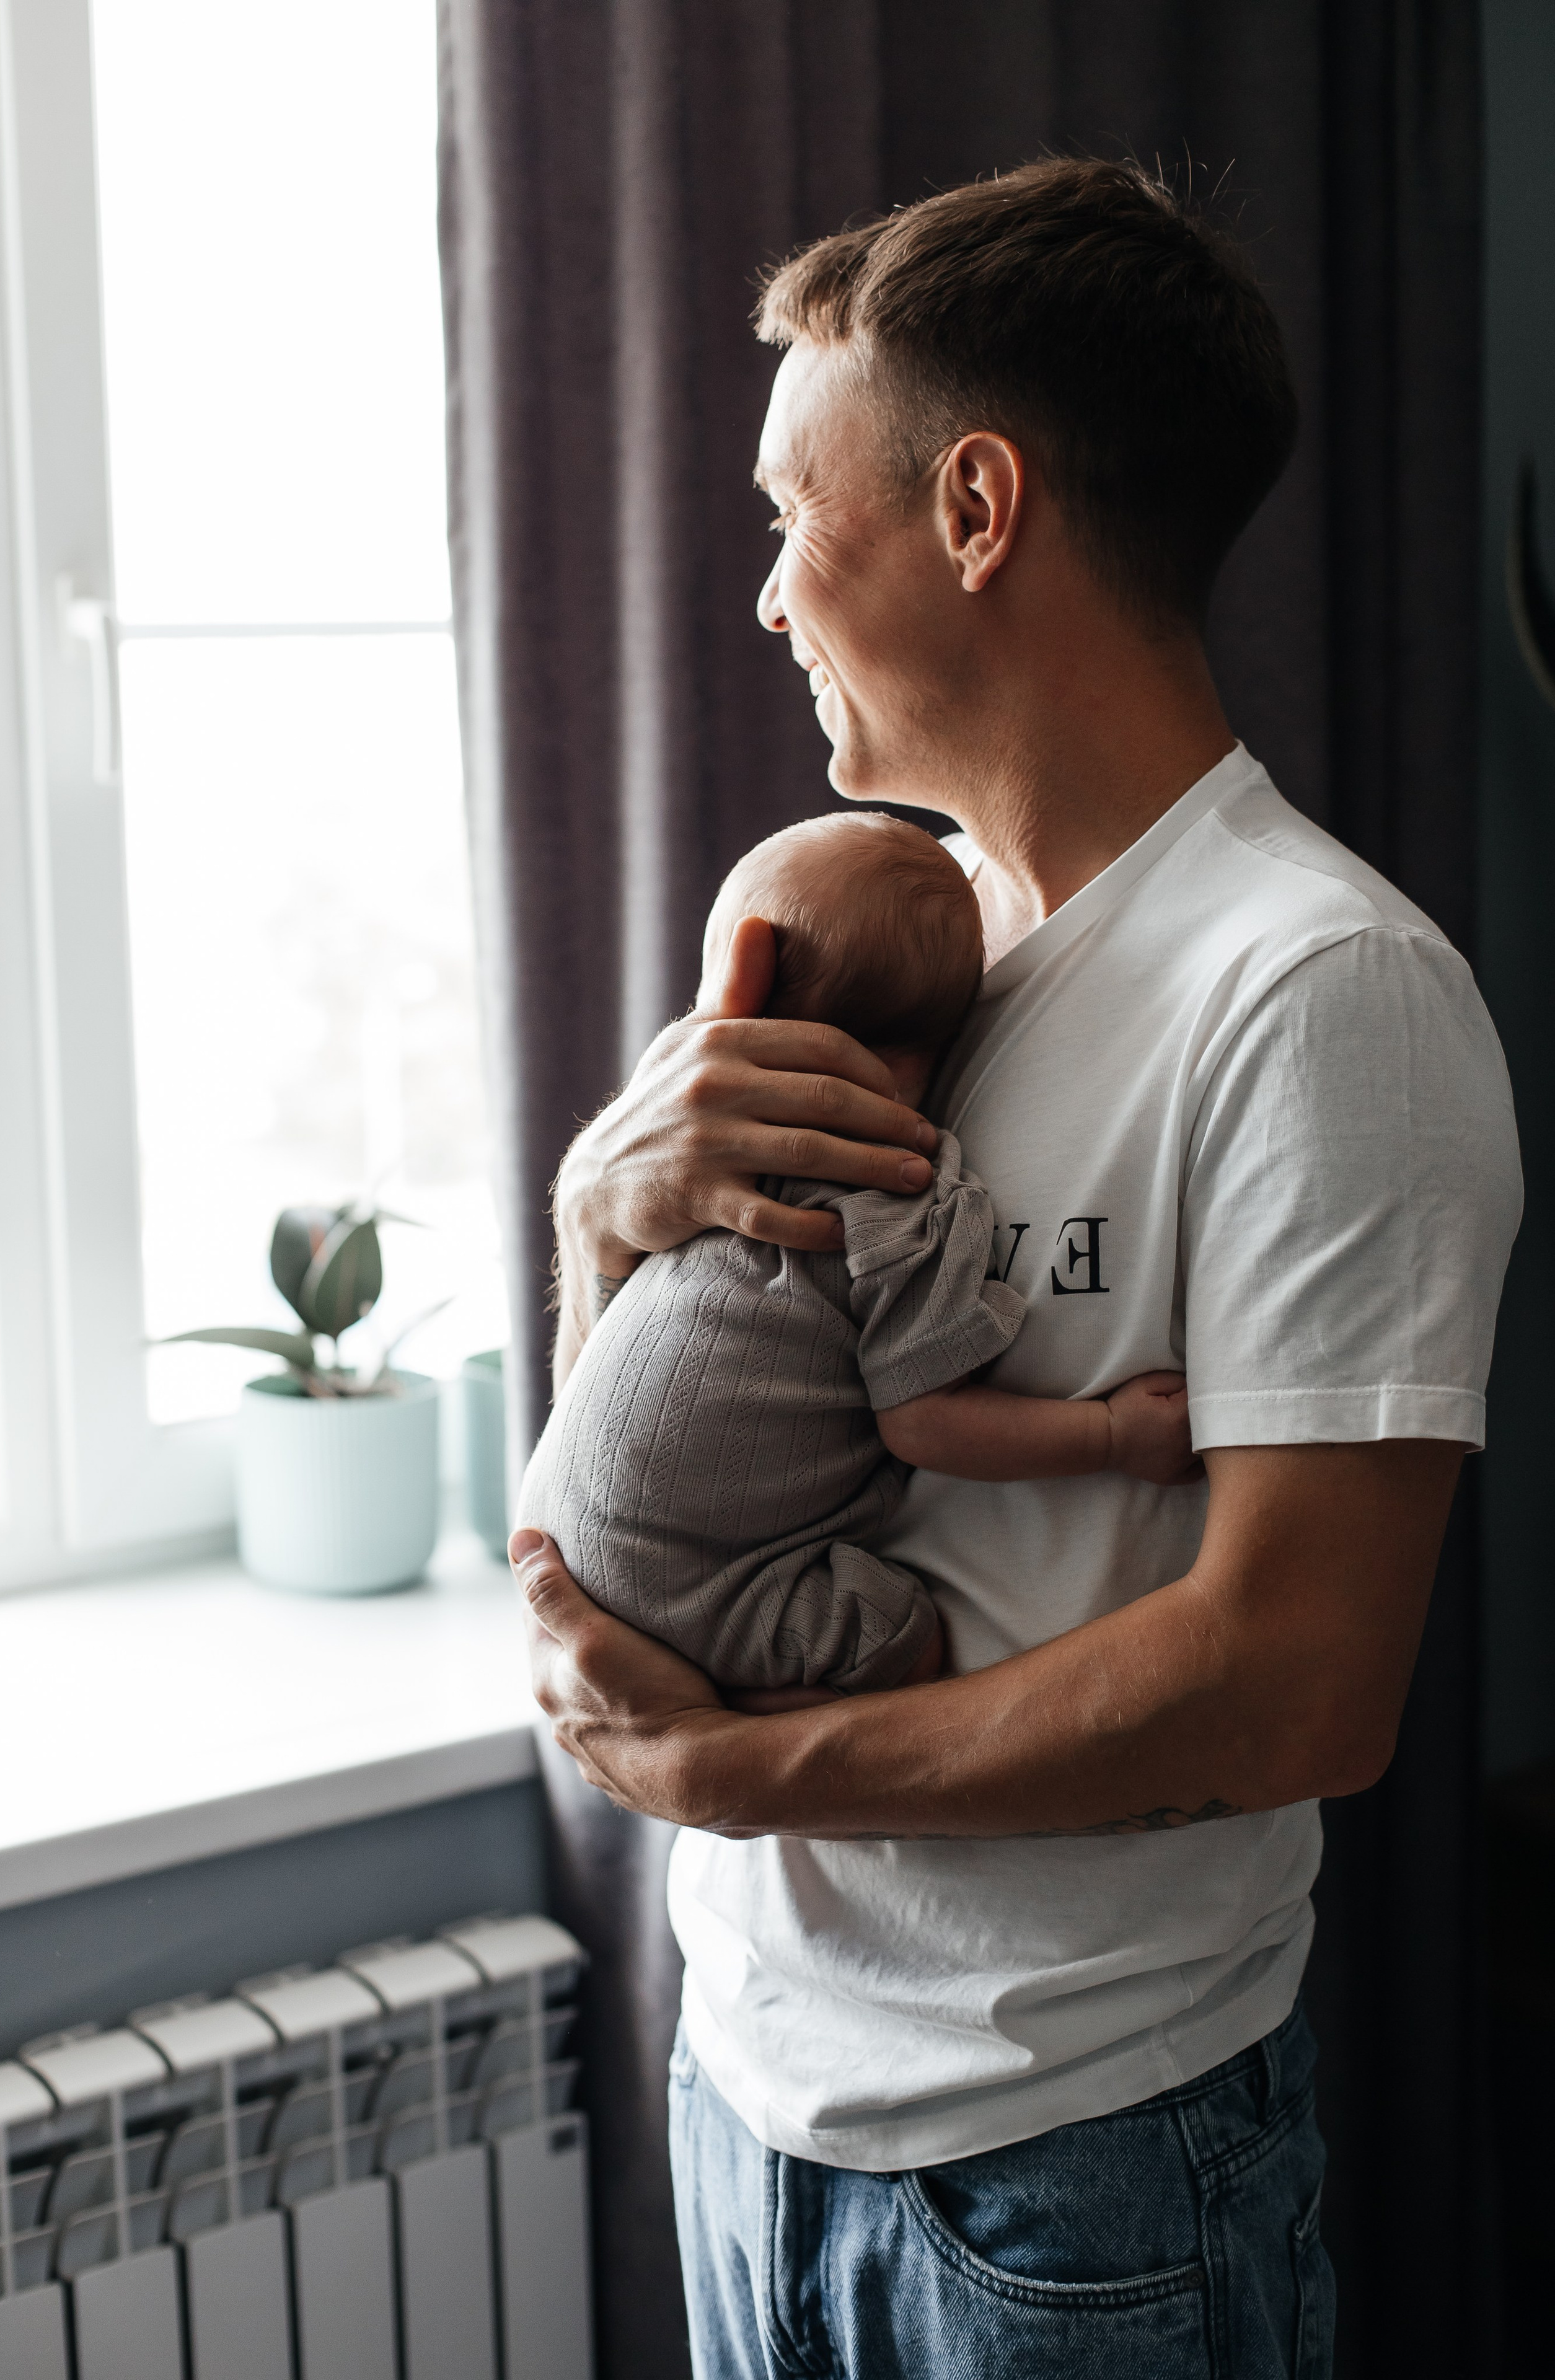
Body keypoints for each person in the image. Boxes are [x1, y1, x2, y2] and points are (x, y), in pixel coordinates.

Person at [509, 157, 1523, 2378]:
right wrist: (608, 1227)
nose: (768, 598)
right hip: (751, 2100)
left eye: (797, 512)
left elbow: (1302, 1685)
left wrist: (744, 1773)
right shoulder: (884, 954)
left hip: (1075, 2181)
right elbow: (696, 1438)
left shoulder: (1320, 991)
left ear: (976, 507)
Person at [516, 811, 1197, 1706]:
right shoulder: (902, 1196)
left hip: (563, 1535)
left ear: (741, 970)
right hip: (716, 1586)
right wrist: (1115, 1435)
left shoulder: (697, 1159)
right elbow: (924, 1423)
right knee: (906, 1643)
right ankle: (756, 1711)